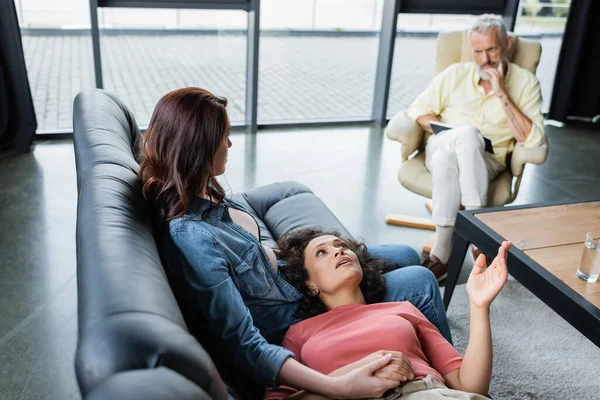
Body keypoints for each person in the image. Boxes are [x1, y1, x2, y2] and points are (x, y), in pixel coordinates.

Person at [139, 87, 452, 398]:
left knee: (406, 253)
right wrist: (337, 386)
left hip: (288, 272)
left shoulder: (195, 190)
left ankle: (435, 356)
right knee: (421, 281)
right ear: (199, 149)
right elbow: (245, 343)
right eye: (224, 136)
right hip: (296, 308)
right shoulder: (192, 238)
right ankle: (450, 381)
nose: (230, 143)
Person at [265, 228, 511, 399]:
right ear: (310, 284)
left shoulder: (404, 309)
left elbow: (470, 386)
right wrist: (351, 375)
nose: (339, 251)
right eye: (322, 252)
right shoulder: (298, 333)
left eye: (341, 246)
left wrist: (479, 306)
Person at [405, 14, 544, 279]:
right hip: (442, 143)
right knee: (462, 137)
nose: (485, 59)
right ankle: (479, 235)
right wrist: (443, 130)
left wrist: (501, 90)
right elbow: (417, 110)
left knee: (454, 152)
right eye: (478, 51)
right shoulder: (455, 74)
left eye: (491, 49)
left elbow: (532, 139)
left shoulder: (526, 83)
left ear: (507, 43)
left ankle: (441, 255)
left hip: (487, 160)